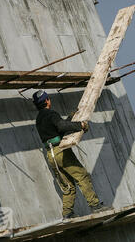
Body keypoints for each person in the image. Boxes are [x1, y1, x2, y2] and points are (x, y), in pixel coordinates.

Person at [32, 90, 110, 219]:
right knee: (82, 176)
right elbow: (62, 126)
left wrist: (69, 119)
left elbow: (56, 128)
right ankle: (95, 206)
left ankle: (67, 213)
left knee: (68, 185)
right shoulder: (51, 114)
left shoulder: (39, 119)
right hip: (61, 151)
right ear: (47, 100)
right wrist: (80, 124)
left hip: (51, 155)